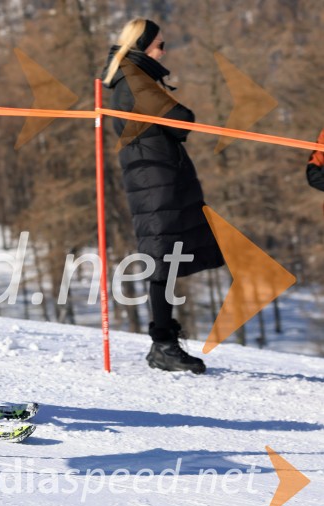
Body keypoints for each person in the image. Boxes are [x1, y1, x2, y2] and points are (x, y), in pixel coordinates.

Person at [102, 18, 225, 374]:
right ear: (143, 46)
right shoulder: (137, 79)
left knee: (166, 257)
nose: (164, 51)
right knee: (162, 259)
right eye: (160, 45)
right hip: (155, 180)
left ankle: (164, 340)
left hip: (155, 177)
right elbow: (182, 120)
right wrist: (169, 98)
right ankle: (163, 345)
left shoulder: (132, 77)